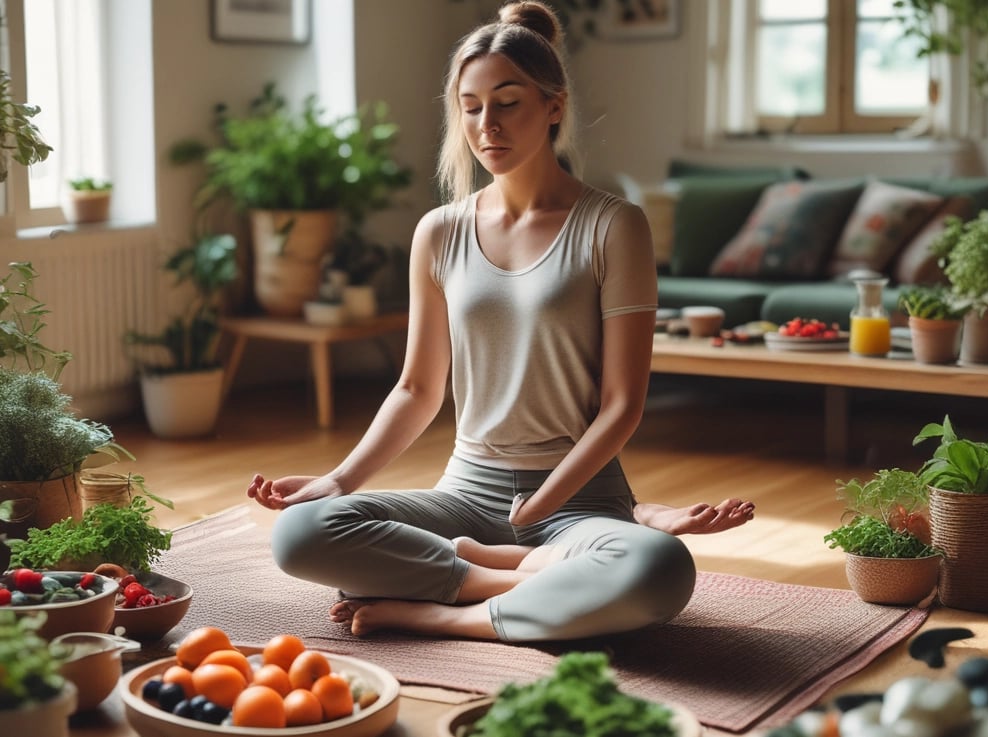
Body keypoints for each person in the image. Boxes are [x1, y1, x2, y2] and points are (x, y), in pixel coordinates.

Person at [248, 0, 753, 643]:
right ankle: (514, 581)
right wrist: (338, 479)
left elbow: (622, 405)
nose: (488, 124)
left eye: (508, 102)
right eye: (471, 105)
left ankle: (439, 613)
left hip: (580, 503)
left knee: (658, 568)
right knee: (301, 532)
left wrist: (543, 506)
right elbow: (416, 389)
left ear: (554, 106)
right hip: (466, 494)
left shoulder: (613, 226)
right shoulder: (439, 232)